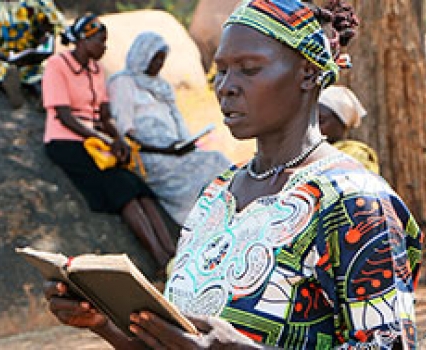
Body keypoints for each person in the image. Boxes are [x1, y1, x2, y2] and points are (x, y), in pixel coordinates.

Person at [43, 1, 424, 348]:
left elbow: (393, 344)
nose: (225, 87)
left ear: (308, 74)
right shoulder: (219, 192)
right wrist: (102, 323)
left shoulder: (355, 201)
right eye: (221, 71)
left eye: (248, 69)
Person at [42, 14, 176, 276]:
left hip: (95, 142)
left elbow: (103, 116)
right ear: (83, 40)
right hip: (66, 142)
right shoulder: (57, 65)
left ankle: (173, 255)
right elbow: (64, 116)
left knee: (139, 188)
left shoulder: (96, 70)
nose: (105, 47)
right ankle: (160, 260)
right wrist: (104, 140)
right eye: (100, 41)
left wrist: (117, 140)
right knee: (118, 187)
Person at [107, 31, 231, 225]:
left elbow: (177, 121)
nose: (159, 65)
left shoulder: (162, 87)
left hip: (174, 150)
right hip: (149, 155)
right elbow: (125, 132)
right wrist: (164, 149)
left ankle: (224, 214)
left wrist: (185, 144)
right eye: (155, 59)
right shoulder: (123, 82)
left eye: (162, 60)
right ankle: (196, 219)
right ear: (142, 56)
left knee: (218, 161)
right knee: (199, 173)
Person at [319, 85, 380, 173]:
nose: (313, 127)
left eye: (321, 121)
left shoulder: (357, 155)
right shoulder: (305, 153)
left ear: (343, 124)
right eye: (311, 121)